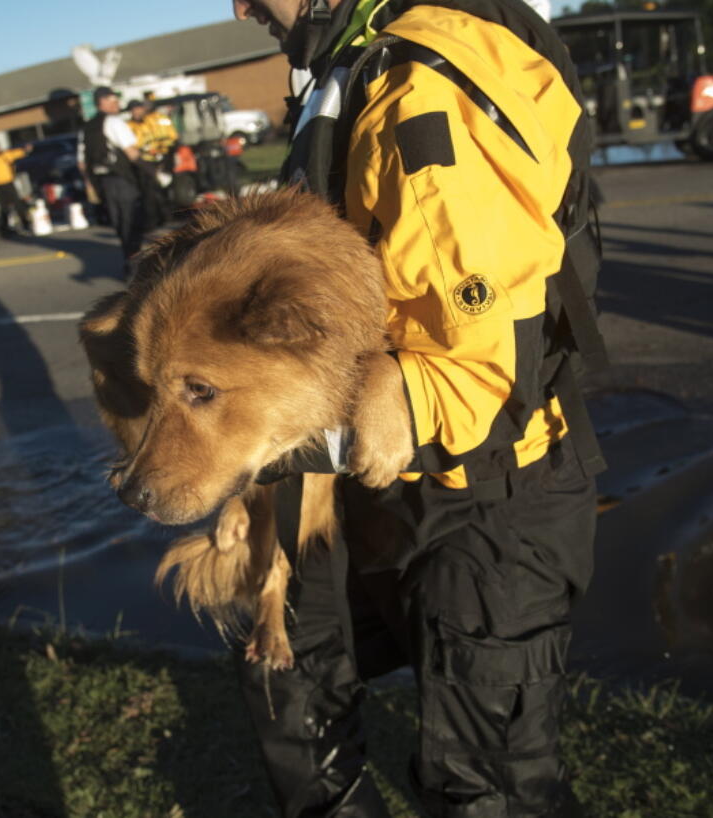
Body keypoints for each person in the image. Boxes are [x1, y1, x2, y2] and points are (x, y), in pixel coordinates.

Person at [230, 0, 604, 815]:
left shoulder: (418, 83)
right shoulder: (354, 63)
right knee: (289, 664)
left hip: (487, 496)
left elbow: (474, 368)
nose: (239, 5)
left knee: (487, 782)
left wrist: (281, 427)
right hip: (411, 488)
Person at [81, 86, 145, 268]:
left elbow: (83, 163)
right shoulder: (114, 122)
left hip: (104, 184)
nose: (117, 103)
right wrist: (155, 173)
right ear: (102, 102)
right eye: (113, 100)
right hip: (123, 180)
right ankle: (135, 264)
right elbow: (132, 153)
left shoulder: (87, 127)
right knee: (132, 220)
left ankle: (129, 259)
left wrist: (92, 186)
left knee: (120, 224)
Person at [126, 98, 177, 228]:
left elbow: (164, 138)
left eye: (140, 109)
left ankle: (168, 215)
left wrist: (164, 154)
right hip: (143, 163)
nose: (138, 112)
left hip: (159, 159)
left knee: (164, 189)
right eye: (135, 110)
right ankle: (153, 220)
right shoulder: (129, 126)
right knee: (149, 193)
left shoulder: (151, 121)